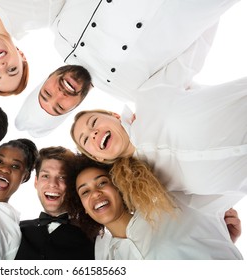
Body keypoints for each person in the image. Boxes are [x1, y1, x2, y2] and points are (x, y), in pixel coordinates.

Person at [14, 0, 239, 136]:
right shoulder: (135, 93)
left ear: (45, 80)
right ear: (73, 108)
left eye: (47, 94)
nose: (59, 94)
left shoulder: (60, 32)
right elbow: (191, 60)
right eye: (60, 107)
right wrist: (212, 8)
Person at [70, 75, 247, 218]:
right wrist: (222, 227)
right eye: (85, 140)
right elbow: (205, 211)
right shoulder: (153, 188)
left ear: (114, 116)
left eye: (93, 122)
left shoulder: (149, 97)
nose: (92, 133)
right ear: (99, 157)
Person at [66, 155, 243, 259]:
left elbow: (235, 176)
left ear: (118, 186)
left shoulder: (170, 206)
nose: (95, 193)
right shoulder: (107, 258)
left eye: (102, 183)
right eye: (85, 192)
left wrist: (214, 230)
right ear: (83, 208)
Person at [15, 146, 94, 260]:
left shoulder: (94, 238)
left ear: (73, 184)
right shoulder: (16, 230)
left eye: (62, 177)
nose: (52, 184)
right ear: (36, 182)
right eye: (45, 176)